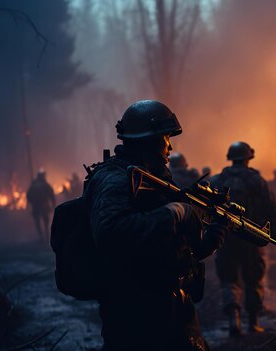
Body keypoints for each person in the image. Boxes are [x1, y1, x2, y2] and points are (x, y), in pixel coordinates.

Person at [83, 100, 228, 350]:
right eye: (166, 138)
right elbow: (110, 233)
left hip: (169, 303)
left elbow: (177, 248)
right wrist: (174, 212)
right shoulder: (115, 179)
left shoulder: (152, 179)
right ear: (148, 140)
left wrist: (213, 234)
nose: (170, 146)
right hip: (134, 313)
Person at [209, 141, 276, 337]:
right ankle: (253, 322)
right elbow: (271, 206)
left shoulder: (218, 180)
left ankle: (234, 320)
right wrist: (274, 230)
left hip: (227, 238)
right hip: (251, 238)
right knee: (253, 280)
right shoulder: (257, 181)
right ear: (248, 157)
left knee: (229, 279)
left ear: (230, 158)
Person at [26, 170, 56, 240]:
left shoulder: (34, 185)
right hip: (43, 205)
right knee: (45, 222)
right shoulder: (45, 184)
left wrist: (32, 202)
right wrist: (53, 204)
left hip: (36, 206)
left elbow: (28, 195)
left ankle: (42, 236)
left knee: (38, 222)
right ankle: (46, 236)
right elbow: (51, 194)